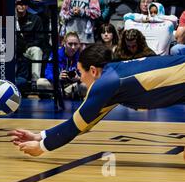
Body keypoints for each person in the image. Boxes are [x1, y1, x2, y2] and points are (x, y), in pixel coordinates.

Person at [9, 44, 185, 159]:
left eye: (80, 72)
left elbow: (76, 126)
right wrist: (41, 135)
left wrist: (41, 147)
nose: (79, 78)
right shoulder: (114, 76)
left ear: (93, 70)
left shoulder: (105, 84)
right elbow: (83, 123)